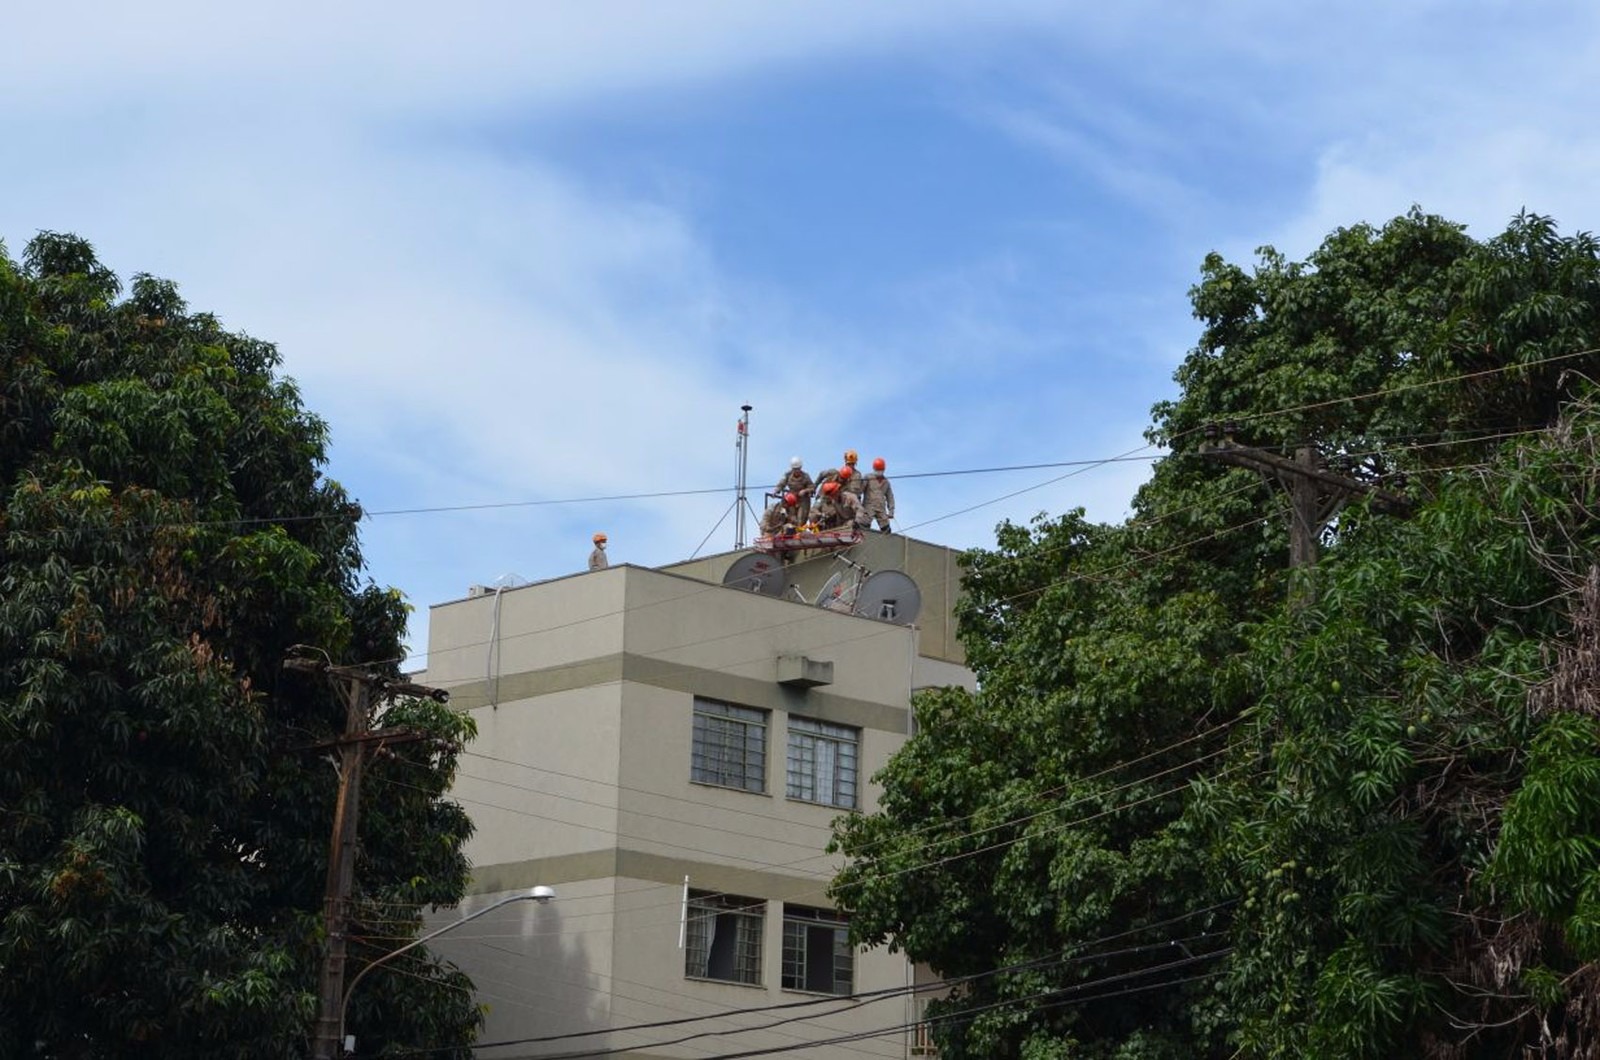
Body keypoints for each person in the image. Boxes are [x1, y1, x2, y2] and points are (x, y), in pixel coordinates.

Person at [775, 457, 814, 525]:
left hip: (803, 500)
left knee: (800, 520)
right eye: (794, 469)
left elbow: (812, 487)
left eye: (798, 469)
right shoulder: (787, 475)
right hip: (791, 499)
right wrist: (777, 490)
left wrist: (805, 491)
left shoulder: (805, 476)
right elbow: (782, 483)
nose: (796, 471)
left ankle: (799, 529)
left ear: (800, 468)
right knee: (791, 517)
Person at [863, 457, 895, 532]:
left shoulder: (886, 482)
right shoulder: (868, 477)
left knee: (886, 530)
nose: (878, 472)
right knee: (864, 527)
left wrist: (891, 511)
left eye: (880, 470)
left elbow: (890, 497)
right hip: (869, 507)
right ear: (874, 469)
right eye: (877, 470)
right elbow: (860, 489)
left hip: (881, 509)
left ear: (883, 470)